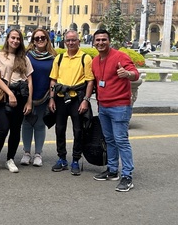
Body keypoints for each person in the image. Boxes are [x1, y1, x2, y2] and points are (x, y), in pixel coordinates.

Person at [90, 29, 139, 192]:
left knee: (121, 140)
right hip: (103, 106)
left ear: (109, 41)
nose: (100, 43)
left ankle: (127, 175)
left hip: (120, 106)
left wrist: (127, 74)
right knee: (109, 140)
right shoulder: (95, 61)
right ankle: (112, 170)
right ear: (93, 42)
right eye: (97, 40)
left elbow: (135, 74)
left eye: (104, 40)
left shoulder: (120, 56)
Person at [49, 30, 94, 176]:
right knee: (59, 129)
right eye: (68, 40)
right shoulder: (60, 58)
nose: (70, 43)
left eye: (73, 40)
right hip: (61, 97)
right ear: (64, 41)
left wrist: (86, 101)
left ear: (78, 41)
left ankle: (76, 159)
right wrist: (51, 98)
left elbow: (89, 81)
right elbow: (53, 80)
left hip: (77, 98)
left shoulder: (85, 58)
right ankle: (62, 158)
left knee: (78, 130)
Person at [0, 28, 33, 175]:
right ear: (7, 39)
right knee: (3, 128)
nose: (15, 41)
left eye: (18, 39)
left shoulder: (24, 58)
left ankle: (10, 159)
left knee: (15, 129)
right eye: (13, 38)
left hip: (20, 97)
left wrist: (29, 102)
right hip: (4, 96)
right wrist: (9, 94)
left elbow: (29, 81)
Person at [20, 28, 56, 168]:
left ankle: (38, 154)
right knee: (27, 123)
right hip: (27, 95)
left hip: (44, 95)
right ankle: (27, 152)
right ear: (33, 41)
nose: (40, 40)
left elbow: (54, 79)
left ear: (47, 39)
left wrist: (51, 97)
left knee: (40, 125)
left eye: (43, 38)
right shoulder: (26, 56)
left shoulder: (53, 58)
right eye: (37, 38)